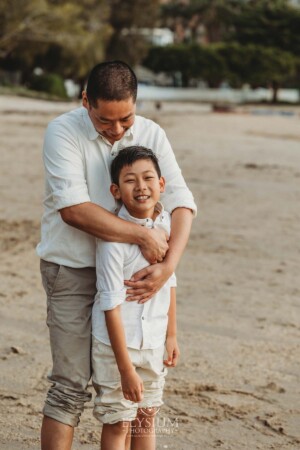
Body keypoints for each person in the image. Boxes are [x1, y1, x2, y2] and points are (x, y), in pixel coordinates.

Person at [37, 60, 196, 450]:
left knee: (138, 401)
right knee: (70, 386)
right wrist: (144, 238)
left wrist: (168, 266)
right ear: (86, 100)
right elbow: (74, 209)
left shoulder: (151, 133)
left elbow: (182, 203)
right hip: (71, 271)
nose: (117, 130)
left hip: (135, 280)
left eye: (126, 118)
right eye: (105, 121)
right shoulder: (62, 132)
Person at [92, 146, 180, 450]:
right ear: (116, 191)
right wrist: (126, 369)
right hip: (117, 347)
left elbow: (170, 282)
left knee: (146, 419)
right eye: (130, 180)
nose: (141, 187)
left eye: (148, 178)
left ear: (161, 184)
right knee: (118, 423)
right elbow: (110, 306)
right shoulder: (112, 243)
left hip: (154, 342)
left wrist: (171, 335)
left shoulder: (166, 225)